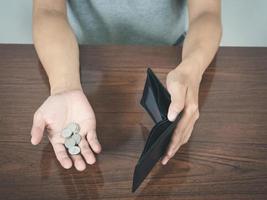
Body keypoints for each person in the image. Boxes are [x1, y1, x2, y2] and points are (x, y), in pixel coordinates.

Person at [31, 0, 222, 171]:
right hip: (77, 57)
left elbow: (206, 12)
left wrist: (192, 70)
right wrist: (64, 85)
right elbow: (49, 10)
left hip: (173, 58)